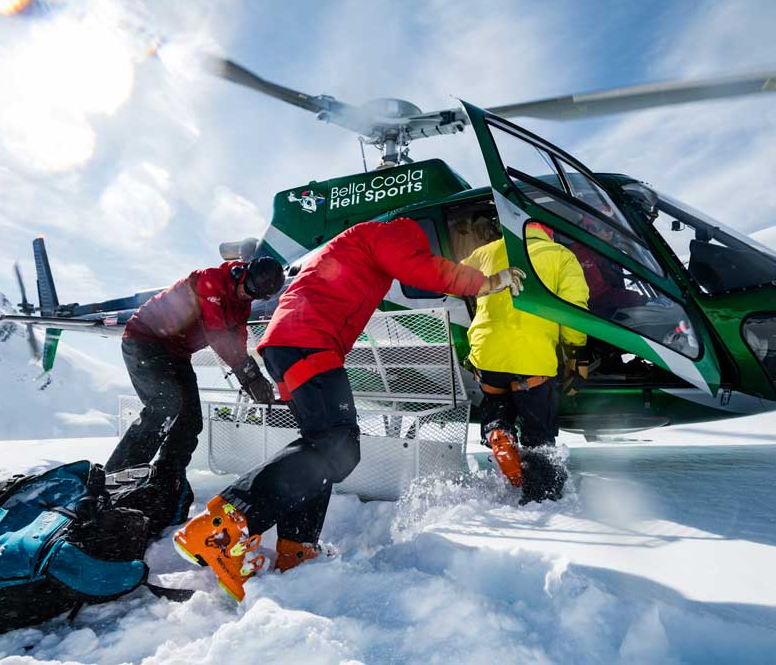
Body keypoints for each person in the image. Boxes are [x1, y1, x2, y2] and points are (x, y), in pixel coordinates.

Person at [173, 216, 524, 600]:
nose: (418, 251)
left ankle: (296, 549)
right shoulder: (390, 233)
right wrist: (487, 282)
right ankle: (222, 528)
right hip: (309, 340)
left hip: (292, 342)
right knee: (338, 446)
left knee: (321, 445)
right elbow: (420, 268)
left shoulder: (351, 246)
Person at [104, 257, 286, 526]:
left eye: (253, 295)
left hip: (177, 353)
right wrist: (247, 375)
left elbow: (238, 340)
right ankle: (113, 479)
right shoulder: (210, 280)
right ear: (242, 272)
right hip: (145, 339)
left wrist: (254, 380)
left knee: (190, 422)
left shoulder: (241, 306)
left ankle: (166, 483)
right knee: (165, 404)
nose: (244, 294)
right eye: (246, 287)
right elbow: (216, 333)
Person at [462, 221, 589, 503]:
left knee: (497, 400)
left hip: (486, 355)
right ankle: (541, 498)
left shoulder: (485, 252)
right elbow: (574, 310)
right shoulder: (560, 255)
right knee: (538, 432)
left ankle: (498, 431)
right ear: (548, 232)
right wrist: (576, 350)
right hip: (532, 360)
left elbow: (450, 282)